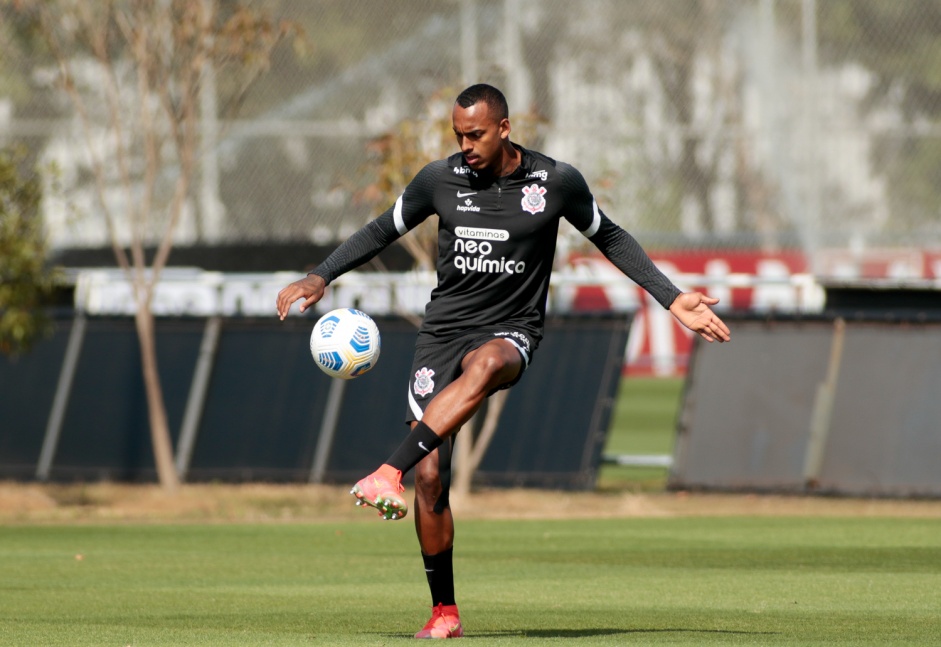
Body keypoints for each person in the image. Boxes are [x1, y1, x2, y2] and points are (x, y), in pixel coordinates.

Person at [276, 83, 730, 639]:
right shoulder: (437, 180)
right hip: (441, 334)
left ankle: (384, 470)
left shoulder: (556, 182)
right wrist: (321, 274)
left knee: (488, 365)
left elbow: (610, 237)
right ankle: (444, 612)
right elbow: (379, 230)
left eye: (476, 134)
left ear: (505, 129)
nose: (465, 145)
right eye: (458, 135)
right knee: (431, 476)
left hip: (511, 331)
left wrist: (671, 296)